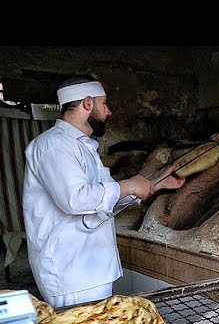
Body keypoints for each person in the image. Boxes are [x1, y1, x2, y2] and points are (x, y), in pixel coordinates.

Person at [23, 76, 186, 309]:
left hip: (91, 268)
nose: (108, 111)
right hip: (70, 271)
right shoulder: (54, 146)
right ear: (88, 103)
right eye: (104, 103)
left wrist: (156, 183)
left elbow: (102, 202)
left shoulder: (84, 146)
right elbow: (76, 199)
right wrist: (129, 185)